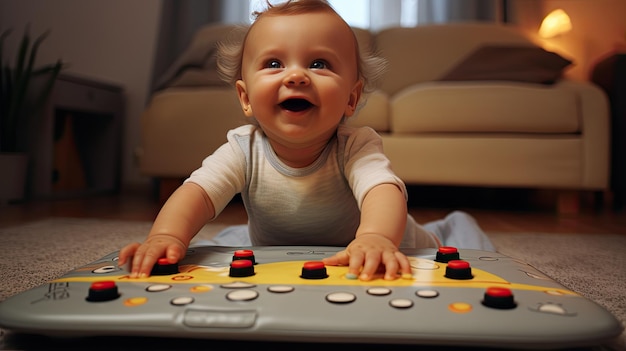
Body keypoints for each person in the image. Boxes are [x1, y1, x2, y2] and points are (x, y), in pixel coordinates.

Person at [119, 0, 492, 282]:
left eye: (319, 64)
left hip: (394, 239)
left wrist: (377, 238)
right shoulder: (242, 148)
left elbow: (382, 191)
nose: (295, 76)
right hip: (285, 248)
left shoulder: (355, 145)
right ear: (245, 98)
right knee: (231, 240)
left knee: (446, 241)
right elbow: (197, 193)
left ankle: (448, 224)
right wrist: (166, 235)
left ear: (351, 97)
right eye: (274, 64)